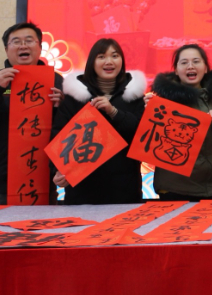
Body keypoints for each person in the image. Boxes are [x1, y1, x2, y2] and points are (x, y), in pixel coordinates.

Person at [0, 22, 63, 205]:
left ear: (40, 47)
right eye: (16, 41)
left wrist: (61, 107)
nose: (23, 46)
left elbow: (69, 130)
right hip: (0, 184)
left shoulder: (57, 82)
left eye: (29, 41)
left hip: (44, 179)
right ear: (6, 50)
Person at [52, 38, 146, 204]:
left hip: (124, 188)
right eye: (101, 57)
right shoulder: (74, 97)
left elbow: (141, 135)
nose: (109, 61)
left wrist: (114, 112)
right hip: (83, 189)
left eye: (114, 56)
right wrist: (58, 169)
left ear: (122, 61)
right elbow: (58, 135)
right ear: (92, 62)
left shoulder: (135, 96)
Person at [150, 44, 212, 201]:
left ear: (205, 68)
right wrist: (146, 111)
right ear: (176, 70)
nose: (190, 66)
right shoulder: (162, 101)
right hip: (173, 187)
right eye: (184, 62)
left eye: (196, 61)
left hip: (211, 186)